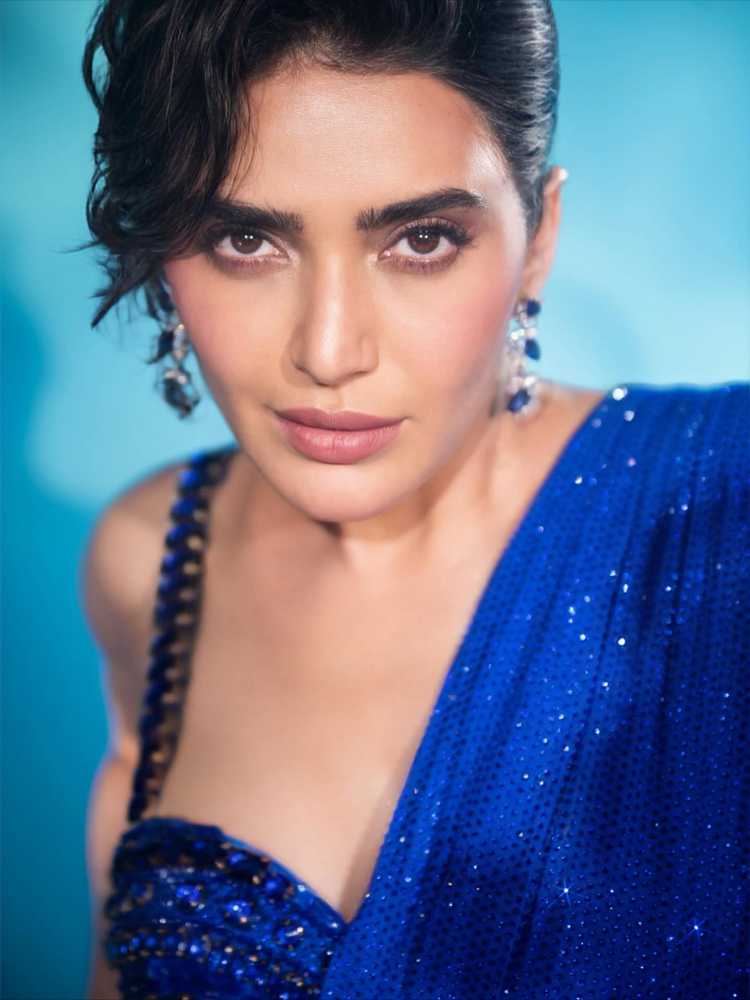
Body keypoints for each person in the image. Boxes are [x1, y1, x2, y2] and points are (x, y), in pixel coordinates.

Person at [78, 1, 749, 998]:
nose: (328, 350)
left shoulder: (724, 506)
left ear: (538, 236)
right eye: (244, 239)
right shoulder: (147, 562)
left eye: (422, 239)